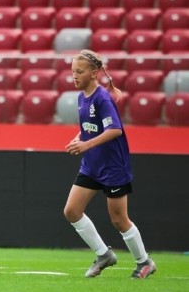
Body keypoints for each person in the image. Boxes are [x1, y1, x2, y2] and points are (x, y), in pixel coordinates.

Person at [63, 49, 156, 279]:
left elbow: (115, 129)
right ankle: (104, 255)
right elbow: (91, 125)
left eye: (80, 71)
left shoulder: (102, 97)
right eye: (73, 71)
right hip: (92, 165)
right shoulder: (81, 96)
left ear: (94, 73)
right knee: (72, 211)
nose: (74, 76)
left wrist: (85, 145)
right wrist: (79, 137)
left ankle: (144, 262)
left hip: (113, 167)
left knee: (119, 220)